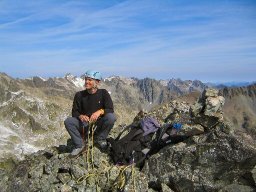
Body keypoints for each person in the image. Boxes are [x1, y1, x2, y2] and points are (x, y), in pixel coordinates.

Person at [64, 70, 116, 156]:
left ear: (97, 82)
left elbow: (110, 109)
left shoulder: (103, 93)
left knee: (111, 117)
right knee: (68, 121)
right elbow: (74, 112)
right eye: (86, 79)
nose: (87, 82)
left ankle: (100, 138)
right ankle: (79, 145)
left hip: (99, 124)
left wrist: (99, 112)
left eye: (90, 80)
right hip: (84, 124)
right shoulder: (79, 95)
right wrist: (81, 116)